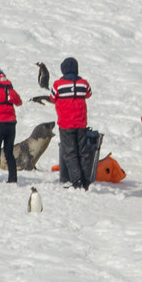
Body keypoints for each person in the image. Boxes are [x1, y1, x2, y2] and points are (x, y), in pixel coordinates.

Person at [51, 57, 92, 189]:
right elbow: (89, 94)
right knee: (83, 152)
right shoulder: (83, 83)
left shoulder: (58, 84)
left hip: (65, 124)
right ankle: (86, 181)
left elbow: (52, 97)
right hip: (81, 123)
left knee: (70, 153)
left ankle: (77, 181)